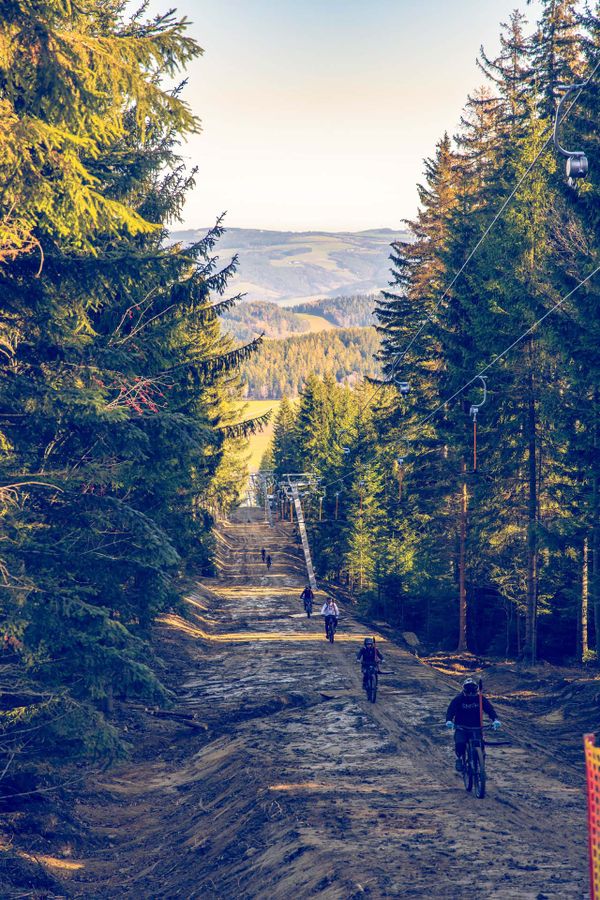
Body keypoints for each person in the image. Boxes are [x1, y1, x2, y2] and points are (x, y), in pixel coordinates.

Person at [445, 677, 501, 772]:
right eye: (469, 691)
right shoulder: (458, 699)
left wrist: (495, 719)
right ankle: (459, 759)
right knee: (460, 743)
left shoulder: (480, 699)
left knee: (481, 746)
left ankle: (481, 766)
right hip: (461, 727)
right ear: (464, 690)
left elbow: (489, 709)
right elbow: (451, 710)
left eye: (473, 691)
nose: (471, 694)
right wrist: (449, 721)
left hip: (477, 727)